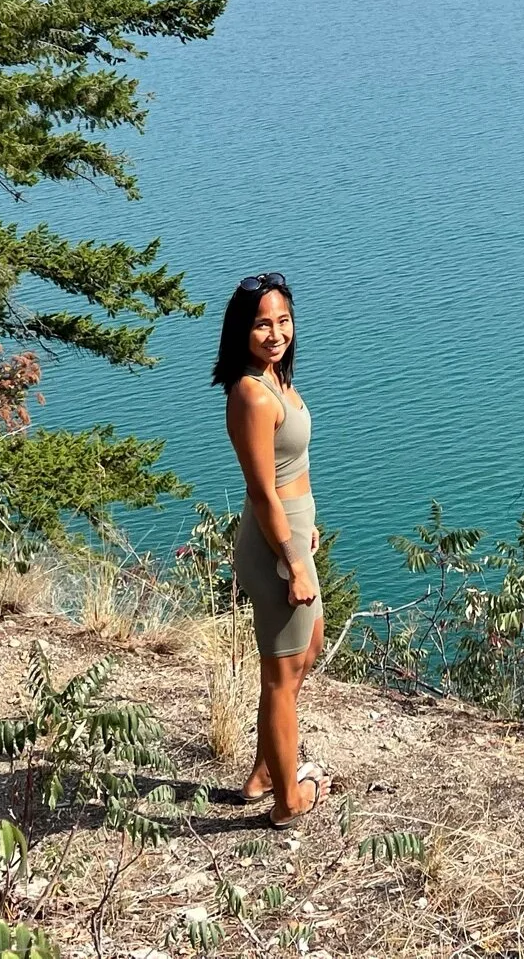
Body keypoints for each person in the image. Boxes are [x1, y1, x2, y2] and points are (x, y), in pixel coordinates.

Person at [214, 271, 329, 822]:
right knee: (282, 677)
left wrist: (308, 527)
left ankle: (264, 770)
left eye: (283, 320)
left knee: (305, 653)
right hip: (273, 546)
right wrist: (292, 561)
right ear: (241, 330)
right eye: (262, 323)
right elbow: (262, 493)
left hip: (293, 534)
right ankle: (286, 801)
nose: (276, 332)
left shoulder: (276, 378)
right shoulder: (251, 395)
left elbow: (292, 469)